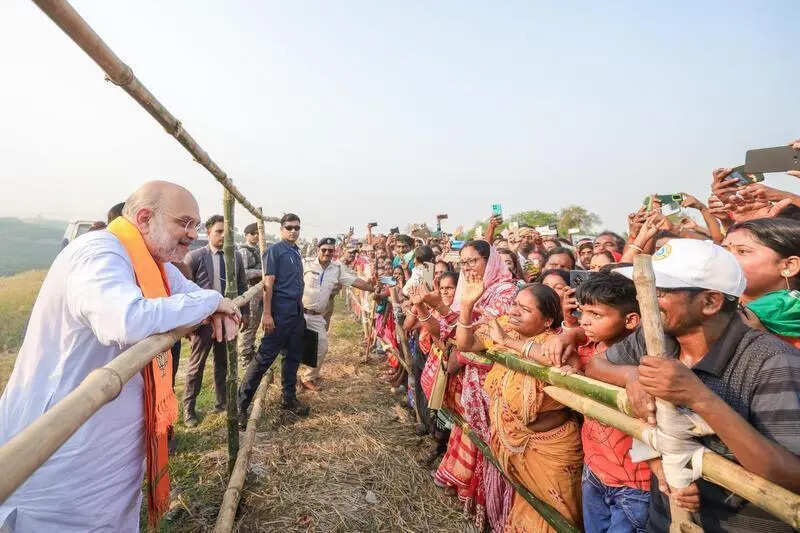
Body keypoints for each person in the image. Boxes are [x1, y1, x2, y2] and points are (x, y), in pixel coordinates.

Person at [0, 181, 241, 531]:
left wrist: (213, 304)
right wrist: (211, 302)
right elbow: (125, 320)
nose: (193, 234)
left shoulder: (154, 264)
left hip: (112, 450)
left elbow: (190, 292)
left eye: (196, 225)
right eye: (185, 223)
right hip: (65, 451)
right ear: (144, 218)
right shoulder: (98, 253)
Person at [597, 239, 800, 532]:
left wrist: (700, 399)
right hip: (665, 519)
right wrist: (633, 377)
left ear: (710, 302)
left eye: (660, 291)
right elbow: (596, 365)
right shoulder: (655, 336)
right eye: (646, 289)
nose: (646, 300)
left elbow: (792, 475)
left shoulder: (773, 362)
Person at [544, 271, 653, 533]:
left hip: (635, 482)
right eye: (583, 312)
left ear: (631, 320)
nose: (585, 321)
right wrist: (569, 336)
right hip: (594, 468)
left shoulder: (644, 359)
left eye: (596, 315)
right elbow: (577, 339)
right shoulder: (586, 348)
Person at [482, 284, 584, 531]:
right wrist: (466, 304)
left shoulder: (554, 342)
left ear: (548, 321)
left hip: (550, 451)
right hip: (516, 450)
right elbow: (465, 342)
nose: (514, 311)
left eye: (525, 309)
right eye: (515, 305)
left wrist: (506, 341)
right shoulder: (512, 334)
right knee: (529, 510)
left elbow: (555, 359)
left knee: (556, 520)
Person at [237, 213, 309, 429]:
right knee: (263, 358)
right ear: (281, 229)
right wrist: (267, 314)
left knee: (293, 357)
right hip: (279, 313)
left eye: (297, 227)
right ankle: (241, 406)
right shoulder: (274, 251)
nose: (293, 231)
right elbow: (268, 284)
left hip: (296, 313)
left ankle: (289, 398)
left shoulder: (295, 251)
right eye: (289, 227)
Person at [182, 215, 249, 427]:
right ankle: (188, 410)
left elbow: (242, 285)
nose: (223, 236)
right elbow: (184, 290)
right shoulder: (195, 257)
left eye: (227, 232)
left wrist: (245, 312)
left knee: (223, 364)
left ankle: (222, 404)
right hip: (203, 323)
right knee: (196, 366)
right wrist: (188, 323)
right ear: (209, 232)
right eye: (219, 231)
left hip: (227, 321)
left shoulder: (235, 257)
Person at [299, 238, 375, 391]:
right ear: (318, 250)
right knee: (294, 347)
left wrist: (372, 288)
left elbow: (354, 281)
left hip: (317, 316)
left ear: (334, 252)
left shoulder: (336, 269)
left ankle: (308, 377)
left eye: (330, 250)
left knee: (322, 347)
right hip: (298, 312)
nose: (327, 253)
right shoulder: (305, 263)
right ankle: (290, 380)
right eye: (324, 250)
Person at [722, 217, 800, 348]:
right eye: (723, 250)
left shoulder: (787, 305)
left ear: (789, 266)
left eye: (742, 251)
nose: (725, 258)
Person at [238, 222, 265, 364]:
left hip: (260, 289)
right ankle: (245, 355)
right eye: (252, 233)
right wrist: (262, 272)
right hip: (251, 289)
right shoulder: (244, 251)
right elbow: (244, 273)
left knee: (256, 322)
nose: (255, 236)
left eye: (257, 233)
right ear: (246, 235)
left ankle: (250, 349)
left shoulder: (259, 249)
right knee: (251, 322)